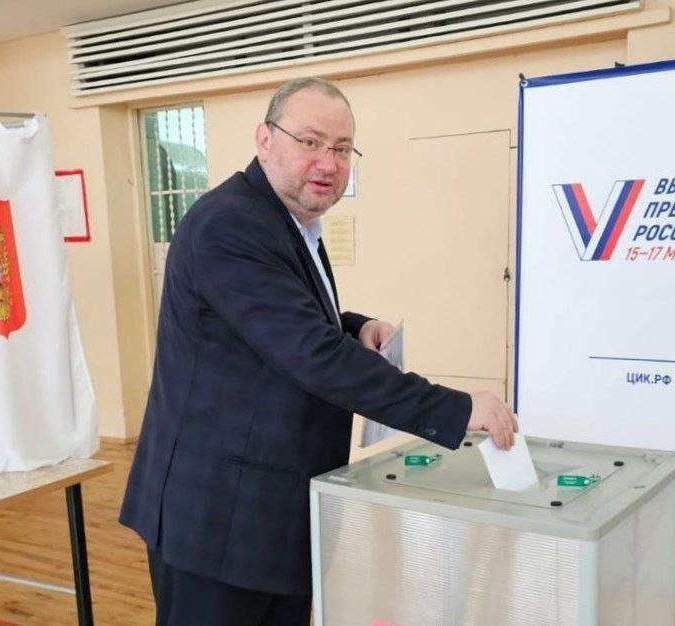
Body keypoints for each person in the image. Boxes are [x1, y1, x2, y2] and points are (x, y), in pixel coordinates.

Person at [119, 77, 518, 626]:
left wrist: (355, 327)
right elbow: (312, 353)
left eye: (342, 148)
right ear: (265, 139)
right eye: (310, 142)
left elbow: (283, 318)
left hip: (270, 512)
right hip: (216, 520)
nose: (328, 163)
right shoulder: (229, 223)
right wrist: (457, 408)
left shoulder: (289, 221)